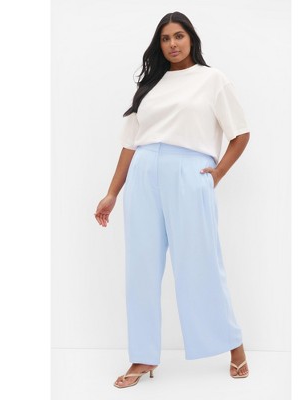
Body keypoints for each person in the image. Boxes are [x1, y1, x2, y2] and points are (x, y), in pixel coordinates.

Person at [95, 11, 251, 388]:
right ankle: (143, 356)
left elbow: (240, 134)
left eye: (178, 36)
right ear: (159, 45)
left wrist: (217, 173)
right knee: (141, 268)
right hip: (144, 174)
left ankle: (235, 347)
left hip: (190, 173)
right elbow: (130, 143)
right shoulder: (150, 85)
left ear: (191, 38)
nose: (172, 44)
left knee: (201, 263)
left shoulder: (212, 80)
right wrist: (112, 192)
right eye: (165, 39)